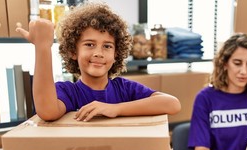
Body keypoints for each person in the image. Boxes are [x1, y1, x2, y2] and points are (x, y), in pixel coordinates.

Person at [16, 2, 181, 121]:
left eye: (107, 46)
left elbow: (172, 104)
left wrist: (115, 109)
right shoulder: (68, 92)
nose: (98, 53)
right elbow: (47, 112)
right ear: (73, 51)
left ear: (116, 54)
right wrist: (42, 47)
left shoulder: (124, 89)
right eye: (89, 44)